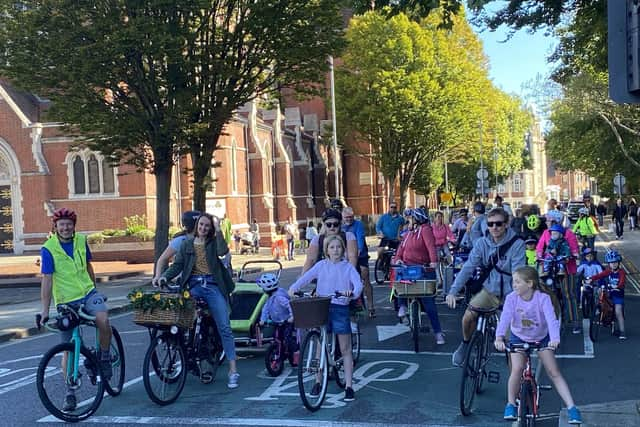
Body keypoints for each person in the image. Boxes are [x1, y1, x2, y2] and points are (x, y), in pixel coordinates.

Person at [154, 213, 240, 388]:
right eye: (201, 225)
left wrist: (218, 230)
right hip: (193, 286)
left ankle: (233, 369)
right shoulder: (186, 244)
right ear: (196, 225)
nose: (203, 228)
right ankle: (187, 349)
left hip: (212, 285)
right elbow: (177, 265)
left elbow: (223, 251)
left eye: (207, 226)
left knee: (224, 326)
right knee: (181, 318)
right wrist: (163, 277)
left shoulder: (213, 243)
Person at [39, 208, 113, 412]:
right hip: (66, 302)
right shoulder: (48, 248)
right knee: (68, 347)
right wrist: (45, 311)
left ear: (74, 226)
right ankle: (70, 393)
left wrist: (95, 289)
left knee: (103, 320)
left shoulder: (81, 240)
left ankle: (104, 358)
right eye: (61, 224)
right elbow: (46, 280)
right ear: (55, 227)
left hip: (88, 293)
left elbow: (88, 266)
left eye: (68, 224)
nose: (65, 227)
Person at [495, 266, 582, 425]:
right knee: (516, 369)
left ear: (530, 283)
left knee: (553, 371)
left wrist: (554, 339)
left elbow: (551, 320)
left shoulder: (542, 298)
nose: (514, 285)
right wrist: (499, 338)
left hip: (541, 338)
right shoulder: (512, 298)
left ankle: (572, 408)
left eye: (517, 282)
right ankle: (511, 404)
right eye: (513, 282)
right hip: (518, 336)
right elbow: (505, 319)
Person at [446, 207, 526, 367]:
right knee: (468, 317)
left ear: (506, 224)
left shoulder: (517, 244)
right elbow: (468, 267)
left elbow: (518, 274)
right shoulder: (482, 243)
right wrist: (452, 292)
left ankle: (516, 384)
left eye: (498, 224)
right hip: (489, 292)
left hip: (510, 295)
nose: (494, 228)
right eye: (490, 224)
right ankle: (466, 344)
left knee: (511, 345)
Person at [289, 235, 363, 402]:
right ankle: (317, 381)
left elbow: (357, 285)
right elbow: (305, 278)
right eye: (332, 247)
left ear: (343, 249)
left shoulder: (348, 268)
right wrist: (293, 288)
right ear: (326, 251)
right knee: (318, 345)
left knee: (345, 348)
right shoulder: (321, 265)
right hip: (321, 305)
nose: (335, 250)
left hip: (340, 306)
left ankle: (349, 386)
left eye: (338, 247)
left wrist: (353, 293)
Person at [393, 208, 444, 345]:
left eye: (410, 219)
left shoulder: (425, 230)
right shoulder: (408, 234)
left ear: (416, 220)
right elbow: (400, 250)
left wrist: (433, 262)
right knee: (399, 282)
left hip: (423, 269)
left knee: (429, 303)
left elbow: (431, 247)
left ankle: (438, 333)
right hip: (408, 268)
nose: (408, 222)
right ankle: (402, 306)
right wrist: (398, 259)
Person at [536, 210, 580, 334]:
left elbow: (574, 249)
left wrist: (572, 255)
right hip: (550, 266)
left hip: (566, 267)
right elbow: (540, 247)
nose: (546, 223)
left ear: (555, 221)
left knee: (568, 293)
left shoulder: (568, 234)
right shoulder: (546, 233)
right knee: (544, 292)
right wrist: (539, 255)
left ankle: (575, 321)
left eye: (548, 220)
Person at [342, 206, 375, 318]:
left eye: (351, 217)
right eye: (346, 217)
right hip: (345, 256)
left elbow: (360, 241)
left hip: (360, 255)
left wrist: (357, 253)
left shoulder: (358, 225)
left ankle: (370, 306)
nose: (349, 219)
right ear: (342, 217)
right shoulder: (340, 226)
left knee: (365, 276)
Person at [302, 208, 358, 274]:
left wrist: (350, 276)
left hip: (344, 276)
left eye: (335, 224)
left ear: (340, 224)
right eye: (328, 225)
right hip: (324, 278)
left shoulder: (348, 236)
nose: (332, 227)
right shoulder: (317, 239)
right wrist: (302, 279)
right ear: (324, 224)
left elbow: (352, 257)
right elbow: (310, 260)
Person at [586, 250, 627, 340]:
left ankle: (622, 331)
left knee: (618, 311)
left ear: (618, 263)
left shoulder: (621, 272)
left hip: (617, 293)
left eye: (615, 262)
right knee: (600, 292)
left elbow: (622, 281)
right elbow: (600, 275)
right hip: (609, 292)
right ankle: (598, 308)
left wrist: (618, 286)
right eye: (611, 263)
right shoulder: (608, 271)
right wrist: (591, 279)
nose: (613, 265)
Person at [256, 273, 297, 360]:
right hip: (277, 322)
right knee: (277, 337)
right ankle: (280, 351)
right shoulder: (270, 297)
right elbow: (265, 309)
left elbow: (289, 305)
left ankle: (294, 352)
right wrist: (262, 320)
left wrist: (292, 317)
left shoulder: (279, 297)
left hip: (286, 321)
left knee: (287, 338)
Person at [153, 210, 201, 282]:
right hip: (185, 280)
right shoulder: (180, 241)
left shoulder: (204, 239)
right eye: (201, 224)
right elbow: (163, 259)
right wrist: (158, 276)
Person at [432, 210, 456, 290]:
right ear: (435, 218)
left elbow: (451, 235)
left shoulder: (445, 226)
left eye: (441, 217)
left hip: (444, 244)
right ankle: (439, 281)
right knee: (436, 261)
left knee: (449, 257)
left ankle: (452, 274)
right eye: (438, 217)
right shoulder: (432, 227)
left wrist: (453, 240)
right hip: (436, 246)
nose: (440, 219)